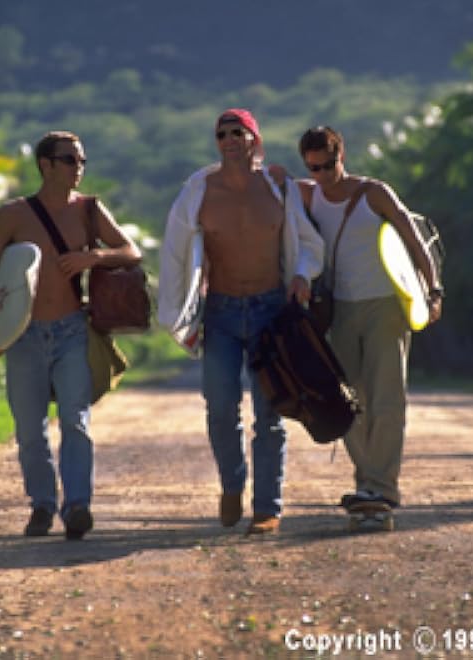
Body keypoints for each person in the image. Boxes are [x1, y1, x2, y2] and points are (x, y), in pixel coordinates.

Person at [158, 109, 324, 535]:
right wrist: (177, 311)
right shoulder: (198, 190)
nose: (230, 139)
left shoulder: (278, 186)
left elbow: (308, 242)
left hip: (272, 310)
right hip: (222, 313)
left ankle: (267, 508)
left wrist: (302, 275)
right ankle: (232, 484)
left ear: (255, 139)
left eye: (238, 132)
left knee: (270, 414)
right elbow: (175, 251)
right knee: (219, 407)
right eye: (222, 134)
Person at [0, 130, 142, 540]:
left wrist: (93, 256)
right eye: (69, 160)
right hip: (24, 335)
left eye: (82, 161)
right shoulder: (13, 215)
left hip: (72, 332)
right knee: (30, 430)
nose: (78, 168)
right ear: (45, 165)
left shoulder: (88, 210)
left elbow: (131, 251)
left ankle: (78, 505)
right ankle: (43, 505)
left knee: (75, 421)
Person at [295, 125, 442, 511]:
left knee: (387, 399)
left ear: (341, 155)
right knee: (348, 403)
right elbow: (266, 186)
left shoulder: (374, 193)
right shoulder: (307, 194)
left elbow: (415, 241)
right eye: (314, 168)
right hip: (340, 309)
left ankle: (382, 487)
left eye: (328, 165)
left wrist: (434, 289)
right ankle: (368, 483)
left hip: (385, 305)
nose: (323, 175)